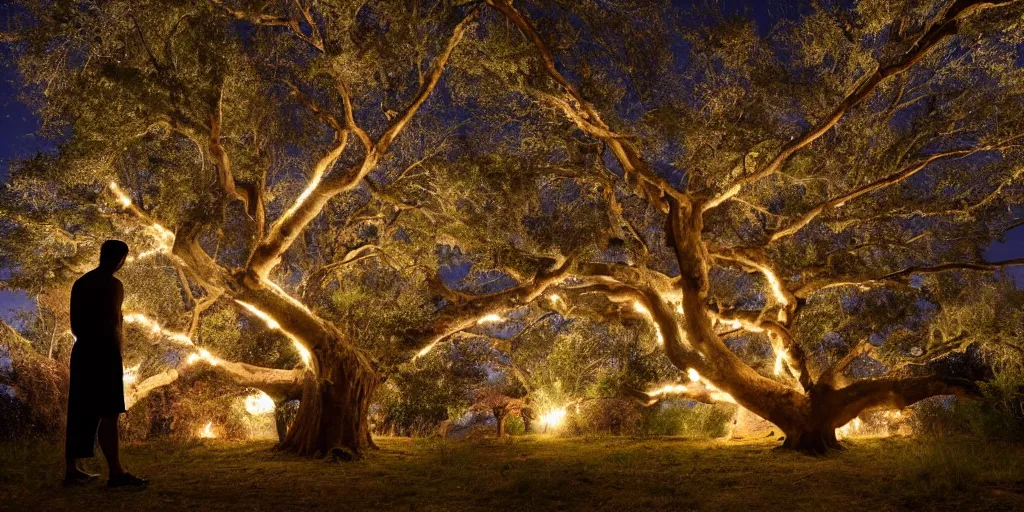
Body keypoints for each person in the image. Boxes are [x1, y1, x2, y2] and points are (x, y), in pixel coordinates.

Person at [64, 240, 148, 488]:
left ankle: (71, 471)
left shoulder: (81, 283)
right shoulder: (113, 285)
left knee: (79, 410)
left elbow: (75, 326)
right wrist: (117, 353)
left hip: (81, 351)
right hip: (104, 353)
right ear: (121, 259)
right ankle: (117, 473)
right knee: (109, 413)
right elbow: (114, 322)